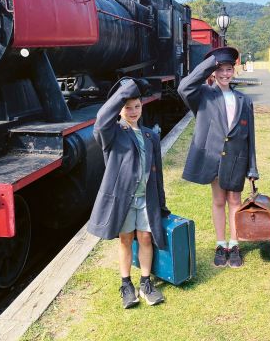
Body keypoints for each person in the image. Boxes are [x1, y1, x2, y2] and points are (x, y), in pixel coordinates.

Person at [88, 77, 170, 308]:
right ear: (120, 108)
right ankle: (126, 284)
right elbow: (102, 118)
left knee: (145, 237)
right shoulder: (112, 133)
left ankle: (145, 282)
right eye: (127, 107)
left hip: (146, 198)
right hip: (124, 199)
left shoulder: (150, 136)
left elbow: (157, 173)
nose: (133, 111)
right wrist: (124, 92)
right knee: (125, 239)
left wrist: (161, 202)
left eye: (137, 106)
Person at [178, 46, 259, 268]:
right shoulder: (203, 95)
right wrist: (209, 64)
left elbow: (250, 136)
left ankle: (234, 244)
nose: (225, 74)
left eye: (229, 69)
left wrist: (252, 167)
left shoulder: (244, 100)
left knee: (235, 200)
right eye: (220, 69)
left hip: (237, 157)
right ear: (213, 72)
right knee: (218, 201)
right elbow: (184, 86)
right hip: (213, 157)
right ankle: (220, 244)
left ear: (234, 71)